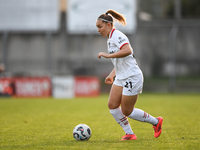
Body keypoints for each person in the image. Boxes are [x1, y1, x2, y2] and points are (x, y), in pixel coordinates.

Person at [96, 9, 163, 141]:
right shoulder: (110, 39)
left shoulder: (117, 36)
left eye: (100, 26)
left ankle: (156, 122)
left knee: (127, 111)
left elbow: (127, 50)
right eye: (97, 27)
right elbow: (120, 61)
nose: (98, 30)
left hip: (132, 76)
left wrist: (108, 55)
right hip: (121, 77)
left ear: (109, 25)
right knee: (112, 105)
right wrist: (112, 74)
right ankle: (130, 134)